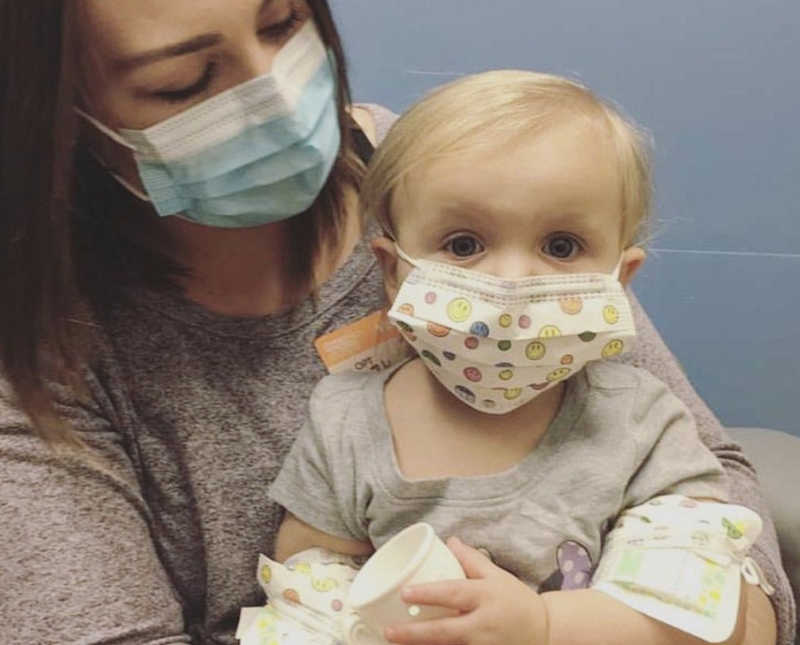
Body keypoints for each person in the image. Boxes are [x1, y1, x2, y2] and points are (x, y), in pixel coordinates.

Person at [0, 2, 792, 644]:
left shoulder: (475, 171)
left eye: (282, 25)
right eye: (184, 80)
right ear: (58, 116)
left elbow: (723, 544)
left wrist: (561, 624)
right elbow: (303, 586)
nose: (277, 94)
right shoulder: (343, 424)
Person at [266, 70, 774, 645]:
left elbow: (708, 618)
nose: (511, 281)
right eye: (464, 244)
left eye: (561, 246)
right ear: (392, 271)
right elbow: (307, 589)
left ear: (619, 279)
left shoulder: (639, 424)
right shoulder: (344, 425)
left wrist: (544, 627)